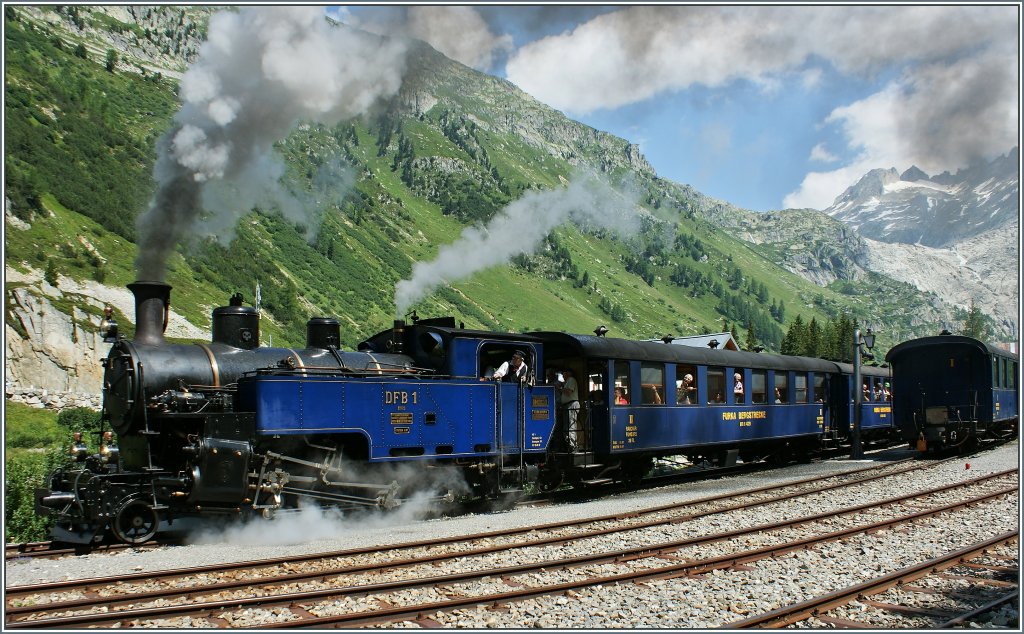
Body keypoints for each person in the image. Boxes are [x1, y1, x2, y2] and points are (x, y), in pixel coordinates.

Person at [560, 369, 580, 450]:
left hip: (571, 404)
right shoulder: (567, 382)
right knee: (566, 426)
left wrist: (560, 388)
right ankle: (569, 445)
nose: (562, 376)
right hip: (567, 405)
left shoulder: (571, 379)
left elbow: (569, 392)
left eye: (563, 374)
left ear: (568, 373)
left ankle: (573, 446)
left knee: (571, 425)